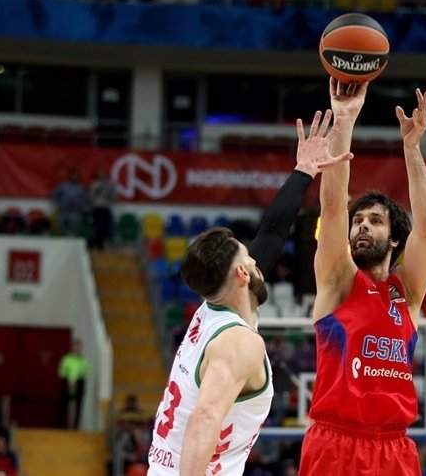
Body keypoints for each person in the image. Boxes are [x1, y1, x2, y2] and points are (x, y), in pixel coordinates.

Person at [146, 109, 352, 476]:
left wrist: (304, 170)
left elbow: (273, 232)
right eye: (248, 257)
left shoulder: (210, 312)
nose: (258, 260)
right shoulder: (239, 342)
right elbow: (205, 417)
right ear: (242, 273)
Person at [298, 78, 426, 475]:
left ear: (394, 238)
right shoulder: (338, 281)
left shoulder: (406, 293)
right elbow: (331, 204)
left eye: (374, 221)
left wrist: (412, 149)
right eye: (357, 220)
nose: (361, 226)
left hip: (394, 446)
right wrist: (344, 119)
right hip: (335, 443)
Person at [57, 338, 90, 429]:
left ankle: (76, 428)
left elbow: (86, 372)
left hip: (79, 383)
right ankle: (59, 427)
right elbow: (61, 371)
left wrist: (77, 380)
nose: (77, 349)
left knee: (78, 407)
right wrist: (69, 380)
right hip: (67, 382)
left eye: (78, 347)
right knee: (63, 406)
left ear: (81, 348)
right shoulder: (67, 359)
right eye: (75, 347)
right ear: (72, 348)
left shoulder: (84, 360)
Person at [51, 168, 87, 237]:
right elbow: (54, 195)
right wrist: (60, 204)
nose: (74, 177)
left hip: (75, 212)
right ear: (69, 176)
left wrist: (78, 204)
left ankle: (72, 241)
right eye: (73, 175)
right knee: (61, 227)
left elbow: (84, 200)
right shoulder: (62, 186)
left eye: (76, 176)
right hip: (63, 211)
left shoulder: (80, 188)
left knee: (74, 230)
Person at [88, 168, 117, 249]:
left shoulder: (109, 185)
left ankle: (100, 242)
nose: (101, 176)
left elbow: (114, 197)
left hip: (106, 207)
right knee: (97, 226)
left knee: (107, 226)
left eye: (103, 174)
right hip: (97, 207)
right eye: (99, 174)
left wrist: (110, 197)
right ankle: (96, 243)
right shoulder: (94, 184)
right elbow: (90, 197)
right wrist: (96, 194)